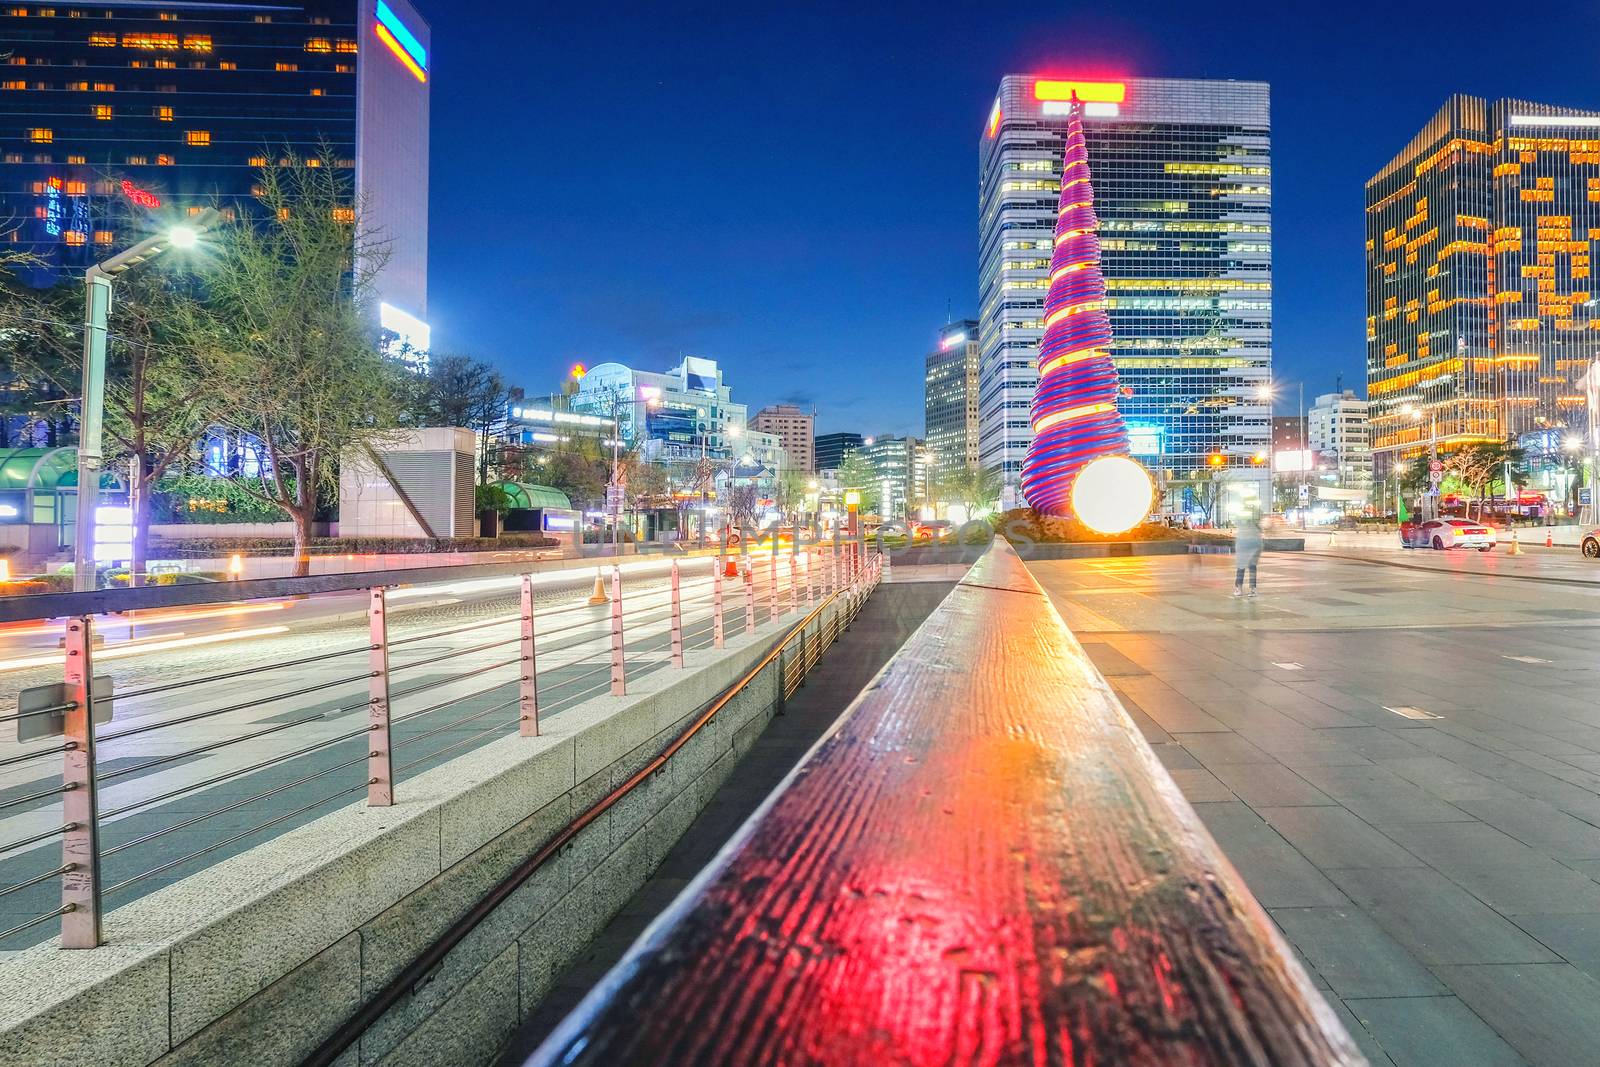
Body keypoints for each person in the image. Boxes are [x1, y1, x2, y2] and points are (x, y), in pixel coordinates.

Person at [1233, 513, 1263, 597]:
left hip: (1244, 545)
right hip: (1252, 545)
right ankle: (1253, 589)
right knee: (1252, 567)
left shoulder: (1243, 524)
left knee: (1241, 567)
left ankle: (1239, 589)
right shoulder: (1254, 524)